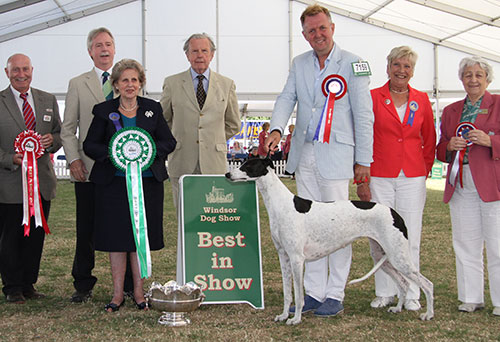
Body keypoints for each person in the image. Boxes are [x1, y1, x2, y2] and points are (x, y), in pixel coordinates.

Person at [265, 4, 373, 317]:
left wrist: (363, 161)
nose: (318, 34)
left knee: (339, 227)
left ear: (332, 28)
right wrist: (275, 128)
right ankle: (312, 292)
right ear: (304, 35)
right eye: (311, 31)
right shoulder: (299, 63)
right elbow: (287, 98)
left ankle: (335, 294)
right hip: (305, 153)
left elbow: (364, 116)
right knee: (304, 228)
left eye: (322, 28)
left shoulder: (354, 63)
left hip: (338, 156)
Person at [83, 59, 176, 312]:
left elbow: (169, 142)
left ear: (141, 83)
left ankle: (138, 292)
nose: (130, 84)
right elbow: (89, 145)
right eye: (124, 80)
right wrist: (113, 153)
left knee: (139, 238)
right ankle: (116, 294)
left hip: (147, 185)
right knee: (116, 239)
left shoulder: (152, 109)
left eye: (134, 80)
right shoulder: (103, 110)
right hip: (112, 185)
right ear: (115, 84)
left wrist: (149, 150)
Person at [61, 27, 135, 303]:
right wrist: (74, 159)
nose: (104, 49)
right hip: (90, 170)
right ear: (90, 51)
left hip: (125, 171)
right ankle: (83, 283)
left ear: (114, 49)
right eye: (98, 45)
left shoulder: (129, 79)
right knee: (86, 229)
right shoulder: (77, 83)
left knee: (127, 228)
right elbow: (68, 129)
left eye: (108, 44)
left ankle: (130, 284)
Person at [366, 46, 436, 311]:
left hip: (413, 176)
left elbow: (429, 138)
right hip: (380, 174)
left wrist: (423, 168)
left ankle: (412, 293)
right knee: (381, 235)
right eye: (397, 65)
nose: (401, 70)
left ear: (413, 71)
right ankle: (384, 291)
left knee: (411, 236)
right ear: (388, 67)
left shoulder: (422, 99)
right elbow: (364, 134)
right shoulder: (373, 97)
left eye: (407, 66)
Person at [436, 56, 500, 317]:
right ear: (461, 80)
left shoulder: (498, 104)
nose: (473, 79)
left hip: (492, 184)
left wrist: (490, 140)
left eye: (478, 75)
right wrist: (449, 147)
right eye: (468, 75)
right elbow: (440, 148)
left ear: (487, 79)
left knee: (497, 243)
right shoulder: (450, 111)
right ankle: (470, 297)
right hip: (460, 183)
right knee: (464, 242)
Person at [0, 53, 62, 303]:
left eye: (25, 69)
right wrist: (9, 159)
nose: (21, 74)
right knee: (10, 237)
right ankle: (12, 286)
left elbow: (58, 133)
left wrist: (51, 142)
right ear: (7, 73)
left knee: (35, 236)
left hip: (41, 183)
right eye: (16, 70)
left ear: (32, 70)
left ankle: (28, 284)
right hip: (10, 183)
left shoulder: (46, 99)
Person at [160, 33, 241, 207]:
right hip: (181, 160)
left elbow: (233, 124)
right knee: (184, 213)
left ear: (212, 54)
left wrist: (213, 138)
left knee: (212, 214)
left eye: (204, 50)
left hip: (214, 162)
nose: (199, 55)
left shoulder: (227, 84)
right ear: (187, 55)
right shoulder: (172, 83)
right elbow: (163, 121)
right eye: (194, 51)